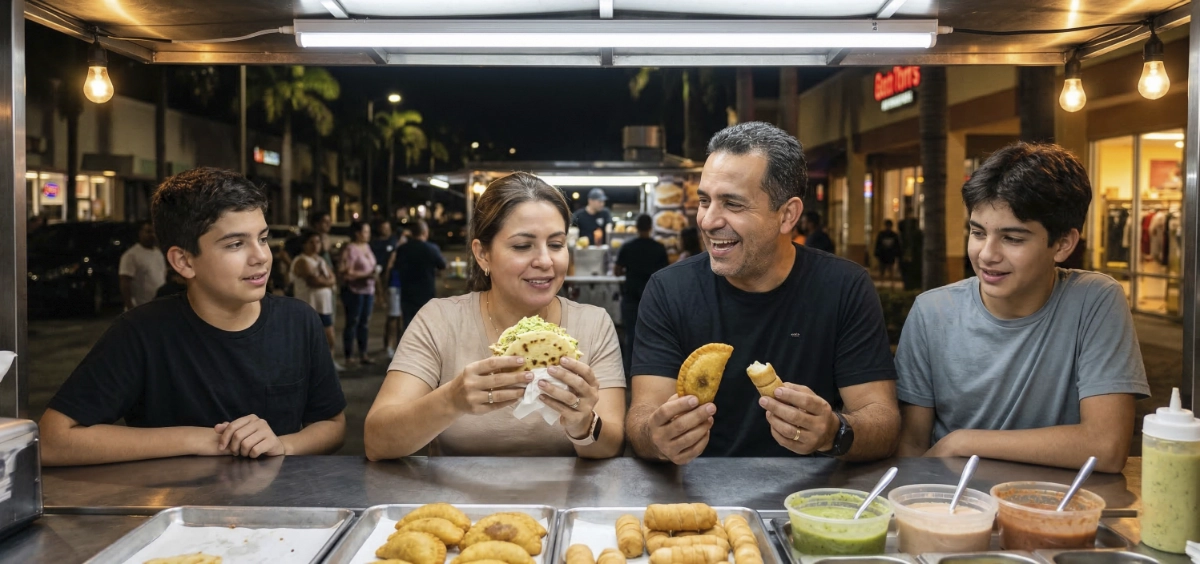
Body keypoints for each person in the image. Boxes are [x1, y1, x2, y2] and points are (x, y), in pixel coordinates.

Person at [626, 122, 899, 464]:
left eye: (733, 204)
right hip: (699, 495)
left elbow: (884, 422)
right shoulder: (668, 290)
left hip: (811, 498)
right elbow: (641, 417)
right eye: (704, 201)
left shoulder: (844, 287)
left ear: (787, 215)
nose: (708, 221)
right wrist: (656, 436)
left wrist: (835, 432)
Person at [38, 167, 346, 466]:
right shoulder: (141, 332)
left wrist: (283, 445)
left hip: (281, 509)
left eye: (262, 239)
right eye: (236, 244)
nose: (261, 257)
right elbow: (52, 440)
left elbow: (332, 424)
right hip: (174, 510)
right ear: (183, 261)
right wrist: (201, 440)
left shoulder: (299, 321)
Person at [895, 143, 1150, 473]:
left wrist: (964, 442)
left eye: (1012, 238)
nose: (987, 254)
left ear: (1062, 244)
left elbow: (1107, 446)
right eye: (977, 232)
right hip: (954, 506)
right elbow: (912, 444)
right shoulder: (932, 311)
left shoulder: (1094, 300)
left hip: (1056, 507)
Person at [364, 172, 626, 459]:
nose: (544, 261)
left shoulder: (593, 324)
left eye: (556, 244)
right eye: (522, 246)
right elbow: (377, 442)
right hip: (459, 503)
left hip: (564, 501)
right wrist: (452, 400)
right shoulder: (439, 320)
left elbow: (612, 445)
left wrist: (583, 423)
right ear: (483, 254)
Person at [614, 214, 669, 375]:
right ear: (651, 227)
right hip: (653, 299)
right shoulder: (658, 248)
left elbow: (617, 271)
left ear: (636, 228)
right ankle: (649, 373)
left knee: (631, 336)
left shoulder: (628, 246)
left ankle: (629, 373)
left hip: (630, 297)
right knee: (653, 337)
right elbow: (665, 273)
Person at [292, 230, 344, 371]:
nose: (315, 245)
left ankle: (328, 365)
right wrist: (328, 282)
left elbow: (333, 277)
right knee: (309, 341)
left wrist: (328, 281)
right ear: (304, 245)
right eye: (311, 242)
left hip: (324, 306)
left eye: (318, 242)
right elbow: (313, 281)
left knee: (329, 337)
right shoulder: (301, 261)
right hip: (309, 306)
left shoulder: (320, 260)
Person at [391, 219, 447, 329]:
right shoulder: (431, 248)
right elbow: (442, 265)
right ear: (425, 232)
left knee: (408, 326)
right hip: (426, 293)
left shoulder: (403, 249)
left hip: (407, 293)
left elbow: (397, 267)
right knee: (426, 326)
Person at [339, 221, 377, 367]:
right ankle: (349, 355)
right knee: (353, 322)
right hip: (355, 291)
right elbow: (346, 273)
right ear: (357, 233)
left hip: (369, 290)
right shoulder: (351, 249)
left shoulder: (366, 246)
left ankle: (363, 353)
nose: (368, 234)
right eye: (365, 231)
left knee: (365, 323)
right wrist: (365, 275)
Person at [370, 219, 403, 357]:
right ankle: (389, 345)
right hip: (391, 283)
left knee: (400, 317)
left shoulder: (395, 241)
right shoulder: (376, 244)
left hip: (401, 284)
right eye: (383, 227)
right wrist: (380, 290)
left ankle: (397, 345)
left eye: (387, 227)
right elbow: (384, 267)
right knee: (393, 317)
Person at [119, 221, 169, 310]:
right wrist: (129, 306)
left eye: (154, 232)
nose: (152, 235)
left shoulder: (158, 253)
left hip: (158, 307)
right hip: (140, 307)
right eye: (148, 232)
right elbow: (125, 282)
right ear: (140, 233)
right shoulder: (131, 255)